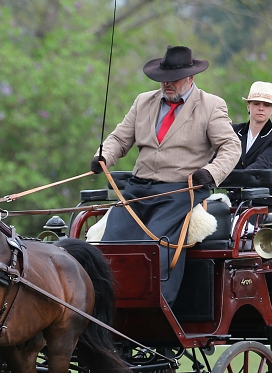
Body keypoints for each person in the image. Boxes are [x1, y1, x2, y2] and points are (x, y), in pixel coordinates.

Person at [90, 45, 240, 304]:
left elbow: (231, 146)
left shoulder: (211, 105)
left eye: (174, 79)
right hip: (137, 191)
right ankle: (108, 309)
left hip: (181, 192)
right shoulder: (143, 102)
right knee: (111, 245)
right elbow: (119, 138)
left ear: (191, 78)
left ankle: (158, 310)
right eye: (163, 79)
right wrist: (103, 155)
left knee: (155, 250)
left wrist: (211, 172)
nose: (167, 84)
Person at [231, 81, 272, 218]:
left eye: (267, 105)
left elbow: (262, 165)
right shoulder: (233, 131)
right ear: (248, 106)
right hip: (234, 204)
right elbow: (217, 158)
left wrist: (231, 177)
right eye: (256, 103)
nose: (261, 108)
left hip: (264, 208)